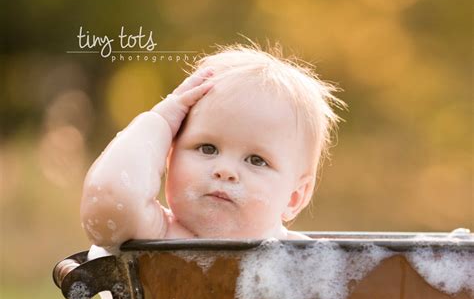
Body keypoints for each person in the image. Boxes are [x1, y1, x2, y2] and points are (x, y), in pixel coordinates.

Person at [80, 42, 344, 246]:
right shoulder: (163, 235)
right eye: (208, 148)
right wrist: (158, 121)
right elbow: (109, 198)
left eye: (256, 160)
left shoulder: (307, 261)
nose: (225, 170)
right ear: (168, 158)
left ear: (294, 197)